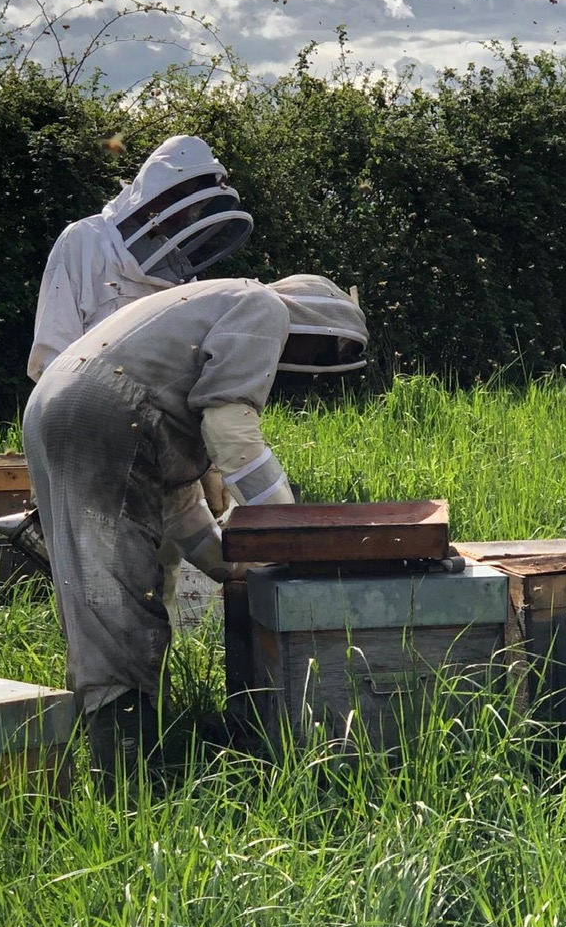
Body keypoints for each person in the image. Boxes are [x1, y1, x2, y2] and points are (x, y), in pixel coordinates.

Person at [21, 274, 368, 788]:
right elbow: (231, 432)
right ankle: (124, 780)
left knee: (103, 590)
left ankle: (114, 748)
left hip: (63, 403)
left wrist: (235, 568)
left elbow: (178, 506)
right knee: (115, 598)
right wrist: (295, 531)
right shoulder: (263, 306)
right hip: (101, 410)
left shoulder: (201, 326)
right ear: (314, 323)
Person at [24, 135, 253, 617]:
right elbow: (51, 360)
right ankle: (107, 692)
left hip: (163, 451)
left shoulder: (179, 268)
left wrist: (206, 463)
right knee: (101, 591)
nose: (184, 223)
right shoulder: (84, 242)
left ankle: (158, 691)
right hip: (97, 450)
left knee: (160, 584)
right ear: (158, 195)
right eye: (179, 209)